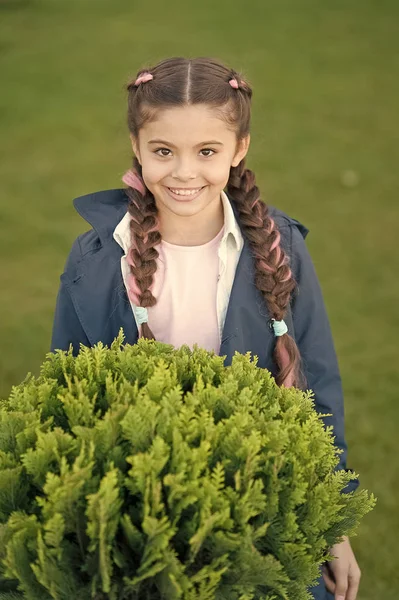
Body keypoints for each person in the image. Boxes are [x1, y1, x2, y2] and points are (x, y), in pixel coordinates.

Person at [50, 56, 361, 600]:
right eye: (163, 151)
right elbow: (68, 392)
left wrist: (332, 520)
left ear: (240, 149)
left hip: (261, 504)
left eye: (207, 152)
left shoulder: (280, 247)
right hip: (137, 515)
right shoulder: (98, 257)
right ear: (137, 144)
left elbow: (318, 386)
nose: (184, 172)